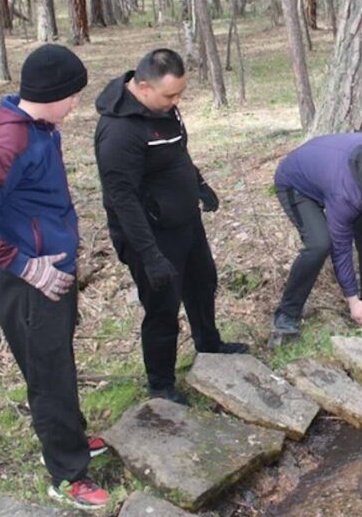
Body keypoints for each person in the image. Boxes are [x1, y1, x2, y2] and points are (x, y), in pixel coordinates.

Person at [0, 44, 109, 510]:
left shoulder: (42, 127)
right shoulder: (9, 142)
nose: (77, 103)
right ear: (54, 93)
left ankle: (71, 438)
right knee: (48, 374)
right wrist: (25, 266)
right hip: (31, 281)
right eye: (74, 95)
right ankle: (66, 473)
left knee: (58, 360)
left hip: (54, 268)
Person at [94, 48, 248, 405]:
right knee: (163, 306)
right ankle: (161, 384)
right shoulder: (118, 132)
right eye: (170, 95)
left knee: (202, 282)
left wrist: (199, 184)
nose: (176, 101)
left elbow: (177, 153)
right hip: (149, 233)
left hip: (185, 221)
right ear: (143, 86)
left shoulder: (162, 109)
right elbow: (122, 199)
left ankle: (209, 345)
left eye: (179, 93)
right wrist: (150, 257)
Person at [269, 133, 362, 348]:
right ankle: (286, 315)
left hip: (327, 169)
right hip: (296, 184)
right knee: (320, 244)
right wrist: (351, 300)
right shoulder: (345, 195)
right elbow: (341, 249)